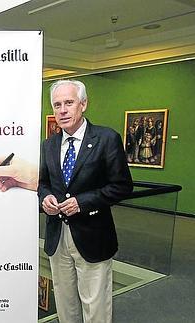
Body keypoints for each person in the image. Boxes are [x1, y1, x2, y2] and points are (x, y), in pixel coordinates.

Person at [38, 79, 132, 323]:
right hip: (57, 236)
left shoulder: (106, 138)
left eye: (68, 103)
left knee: (95, 305)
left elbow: (122, 186)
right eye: (57, 105)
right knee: (65, 302)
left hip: (93, 235)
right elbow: (43, 183)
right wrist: (45, 198)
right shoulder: (48, 145)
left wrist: (83, 202)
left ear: (83, 104)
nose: (62, 110)